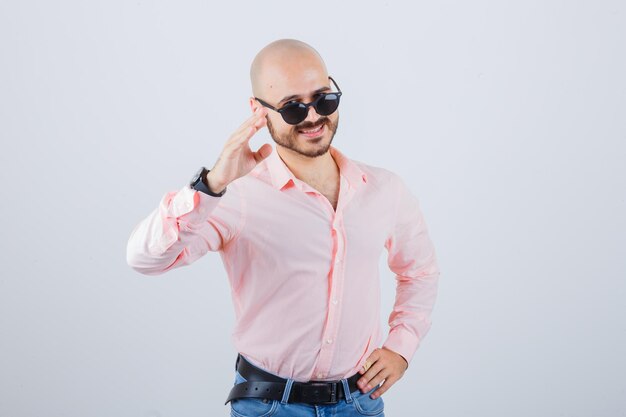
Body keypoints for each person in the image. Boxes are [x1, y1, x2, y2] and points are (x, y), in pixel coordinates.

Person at [126, 38, 440, 417]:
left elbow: (420, 272)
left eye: (323, 99)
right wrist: (211, 184)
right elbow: (145, 260)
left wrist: (401, 348)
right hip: (270, 406)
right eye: (292, 108)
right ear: (259, 111)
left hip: (360, 402)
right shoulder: (234, 196)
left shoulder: (384, 189)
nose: (312, 117)